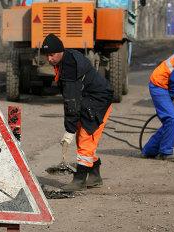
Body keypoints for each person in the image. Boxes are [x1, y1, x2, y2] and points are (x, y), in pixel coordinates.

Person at [41, 34, 113, 191]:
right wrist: (72, 127)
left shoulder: (70, 67)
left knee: (86, 138)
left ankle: (79, 180)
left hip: (98, 101)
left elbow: (71, 102)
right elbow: (72, 101)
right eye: (47, 55)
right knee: (83, 137)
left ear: (60, 51)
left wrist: (69, 130)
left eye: (52, 54)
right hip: (88, 99)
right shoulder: (65, 59)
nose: (49, 59)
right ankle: (94, 176)